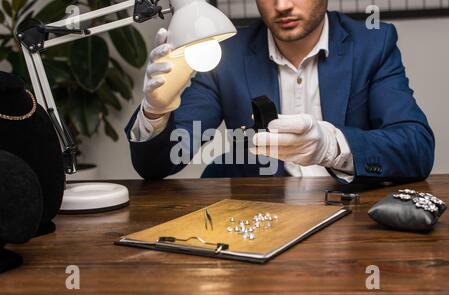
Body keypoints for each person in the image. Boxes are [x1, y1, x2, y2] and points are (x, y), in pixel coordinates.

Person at [125, 0, 434, 183]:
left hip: (352, 229)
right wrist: (156, 111)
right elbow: (156, 167)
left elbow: (416, 148)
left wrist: (332, 147)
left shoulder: (372, 44)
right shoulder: (225, 56)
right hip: (257, 225)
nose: (283, 5)